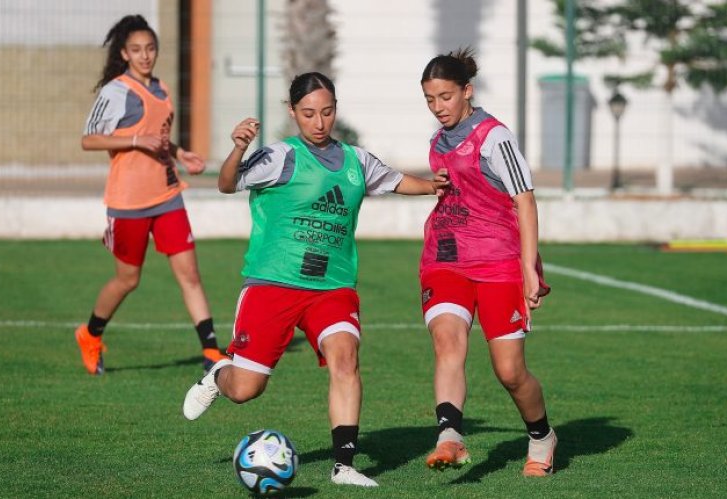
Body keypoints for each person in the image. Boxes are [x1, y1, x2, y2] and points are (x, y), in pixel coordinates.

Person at [182, 72, 447, 488]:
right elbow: (227, 183)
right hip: (273, 284)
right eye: (308, 113)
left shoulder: (357, 162)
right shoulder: (280, 157)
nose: (319, 122)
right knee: (246, 389)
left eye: (326, 112)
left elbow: (397, 181)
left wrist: (436, 186)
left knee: (346, 359)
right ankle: (218, 375)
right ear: (293, 113)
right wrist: (237, 149)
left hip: (333, 288)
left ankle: (344, 467)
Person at [418, 49, 557, 476]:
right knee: (448, 340)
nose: (438, 107)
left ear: (467, 91)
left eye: (445, 97)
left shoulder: (495, 137)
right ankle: (450, 437)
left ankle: (542, 436)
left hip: (498, 264)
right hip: (445, 259)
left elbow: (525, 201)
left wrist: (529, 267)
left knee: (510, 371)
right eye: (429, 99)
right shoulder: (438, 142)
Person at [74, 14, 226, 375]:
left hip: (168, 193)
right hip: (128, 202)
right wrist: (134, 140)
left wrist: (178, 152)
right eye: (137, 50)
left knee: (190, 274)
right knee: (128, 279)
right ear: (124, 54)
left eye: (150, 48)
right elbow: (88, 139)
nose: (145, 55)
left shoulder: (160, 87)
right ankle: (90, 334)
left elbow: (155, 134)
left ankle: (212, 353)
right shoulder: (116, 91)